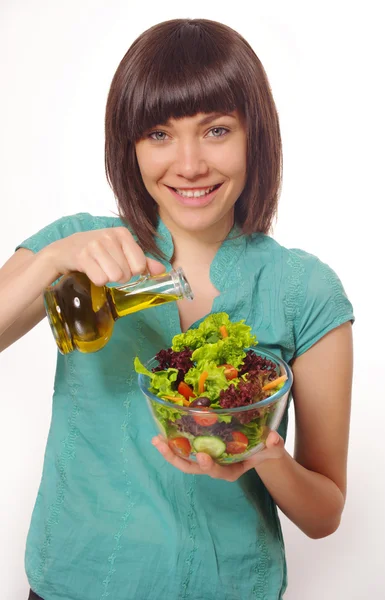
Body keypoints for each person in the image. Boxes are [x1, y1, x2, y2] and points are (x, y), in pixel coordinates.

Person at [0, 18, 354, 600]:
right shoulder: (75, 246)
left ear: (254, 137)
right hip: (73, 583)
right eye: (159, 135)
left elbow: (324, 514)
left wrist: (261, 451)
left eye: (216, 130)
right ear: (129, 145)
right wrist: (50, 263)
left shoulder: (304, 289)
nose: (188, 164)